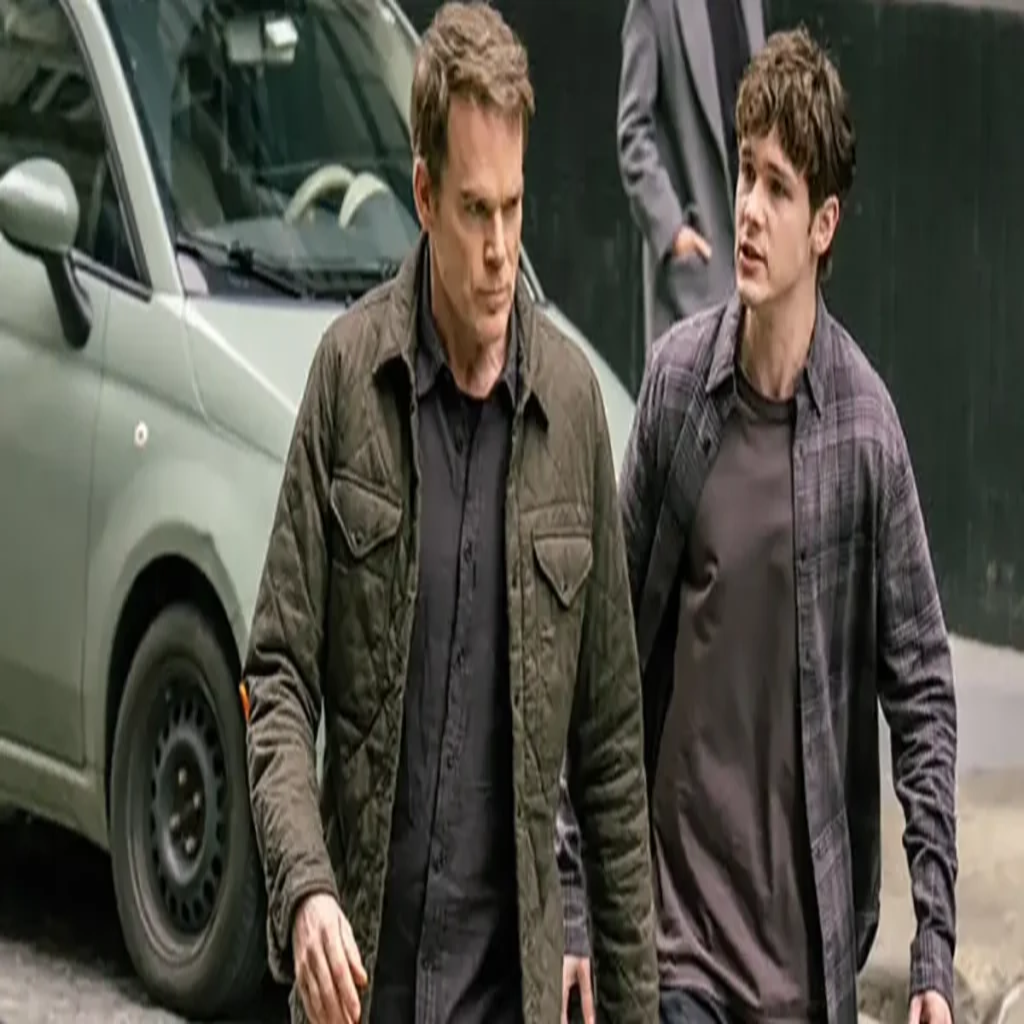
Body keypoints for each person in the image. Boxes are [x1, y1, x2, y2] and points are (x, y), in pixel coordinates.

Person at [242, 3, 659, 1023]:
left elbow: (610, 753)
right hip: (360, 986)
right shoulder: (349, 379)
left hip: (502, 994)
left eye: (514, 208)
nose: (501, 249)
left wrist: (634, 1003)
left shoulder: (571, 411)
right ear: (424, 196)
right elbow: (278, 677)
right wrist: (306, 888)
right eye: (476, 211)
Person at [559, 26, 958, 1024]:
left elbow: (922, 695)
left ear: (823, 224)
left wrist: (933, 953)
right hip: (673, 946)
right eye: (744, 175)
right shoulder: (677, 389)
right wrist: (575, 901)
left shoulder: (863, 434)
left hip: (803, 967)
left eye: (777, 188)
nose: (746, 209)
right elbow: (602, 656)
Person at [617, 0, 765, 357]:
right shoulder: (654, 6)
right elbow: (633, 132)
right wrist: (673, 233)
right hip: (694, 278)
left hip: (754, 270)